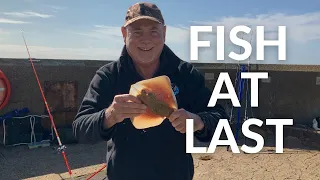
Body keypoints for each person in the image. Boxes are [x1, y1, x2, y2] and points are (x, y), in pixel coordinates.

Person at [73, 2, 228, 180]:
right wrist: (110, 116)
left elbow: (220, 119)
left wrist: (198, 122)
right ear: (124, 34)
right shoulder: (108, 76)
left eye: (154, 31)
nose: (146, 40)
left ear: (164, 33)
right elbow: (80, 129)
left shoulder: (186, 74)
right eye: (137, 32)